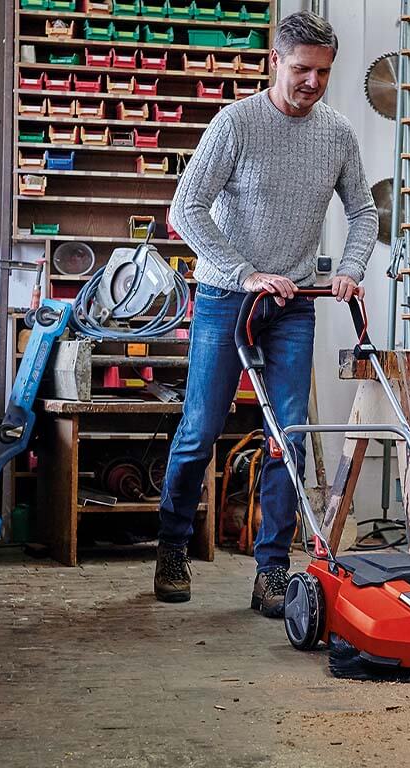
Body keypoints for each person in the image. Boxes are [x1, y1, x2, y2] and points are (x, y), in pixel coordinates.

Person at [154, 11, 377, 614]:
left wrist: (350, 270)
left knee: (289, 436)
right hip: (226, 299)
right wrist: (243, 270)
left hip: (292, 304)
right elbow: (187, 207)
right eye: (301, 69)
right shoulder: (236, 123)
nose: (312, 82)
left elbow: (365, 212)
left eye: (323, 72)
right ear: (274, 62)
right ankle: (172, 547)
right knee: (200, 429)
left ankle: (272, 571)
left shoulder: (336, 134)